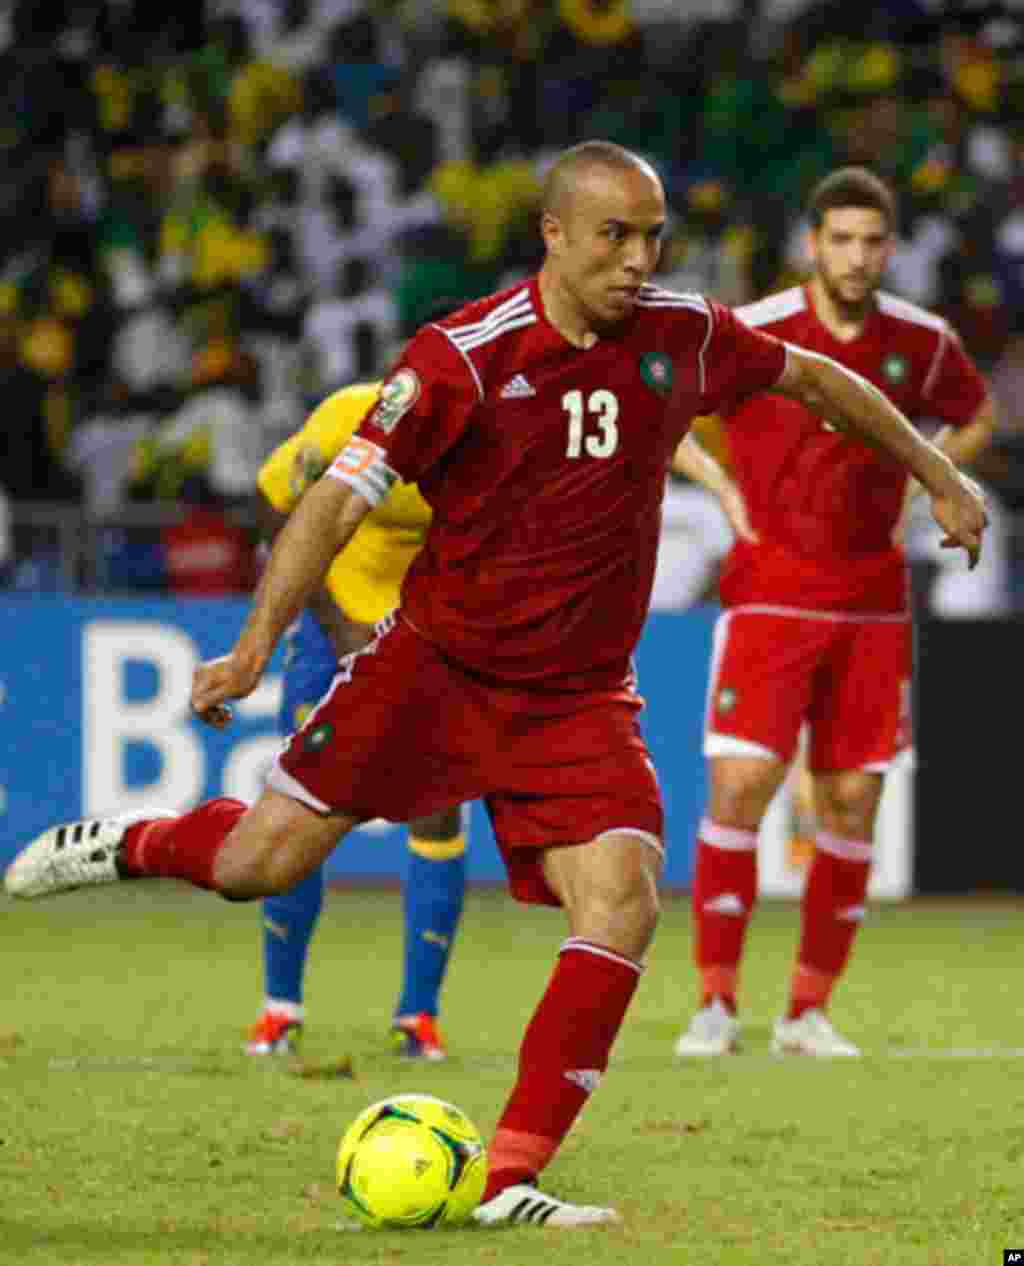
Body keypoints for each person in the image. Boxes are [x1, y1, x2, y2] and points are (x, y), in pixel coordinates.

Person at [5, 143, 987, 1228]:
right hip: (436, 669)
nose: (637, 258)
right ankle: (126, 845)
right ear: (554, 235)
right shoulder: (463, 358)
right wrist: (250, 649)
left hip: (578, 697)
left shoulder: (682, 333)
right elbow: (329, 507)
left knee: (618, 899)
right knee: (253, 864)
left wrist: (938, 474)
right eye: (614, 234)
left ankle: (510, 1180)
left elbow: (816, 378)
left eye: (653, 235)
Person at [672, 167, 995, 1060]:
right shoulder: (759, 332)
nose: (856, 256)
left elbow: (975, 414)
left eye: (872, 241)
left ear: (889, 249)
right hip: (771, 595)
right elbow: (670, 414)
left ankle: (806, 1015)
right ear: (811, 245)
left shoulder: (920, 341)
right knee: (741, 790)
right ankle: (715, 1003)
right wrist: (725, 485)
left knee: (854, 802)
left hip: (872, 605)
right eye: (840, 239)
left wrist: (930, 471)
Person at [247, 350, 467, 1061]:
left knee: (438, 806)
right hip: (331, 620)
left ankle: (419, 1017)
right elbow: (277, 506)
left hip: (432, 629)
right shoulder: (348, 417)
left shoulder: (493, 439)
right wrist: (338, 625)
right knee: (306, 801)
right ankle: (280, 1007)